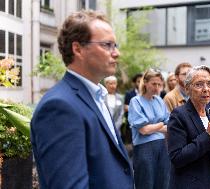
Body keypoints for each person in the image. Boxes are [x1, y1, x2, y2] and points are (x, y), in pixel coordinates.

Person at [31, 10, 133, 189]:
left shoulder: (96, 96)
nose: (116, 53)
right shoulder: (59, 107)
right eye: (107, 45)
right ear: (77, 49)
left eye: (115, 45)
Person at [168, 65, 210, 189]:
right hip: (189, 183)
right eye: (199, 84)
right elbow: (177, 158)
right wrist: (207, 136)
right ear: (188, 88)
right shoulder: (179, 115)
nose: (206, 89)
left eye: (209, 84)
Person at [128, 69, 170, 189]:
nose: (157, 87)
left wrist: (153, 127)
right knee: (145, 183)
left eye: (159, 84)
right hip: (144, 148)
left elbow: (170, 126)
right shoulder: (135, 101)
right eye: (153, 83)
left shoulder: (159, 101)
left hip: (163, 146)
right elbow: (143, 130)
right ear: (145, 83)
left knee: (163, 183)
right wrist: (161, 124)